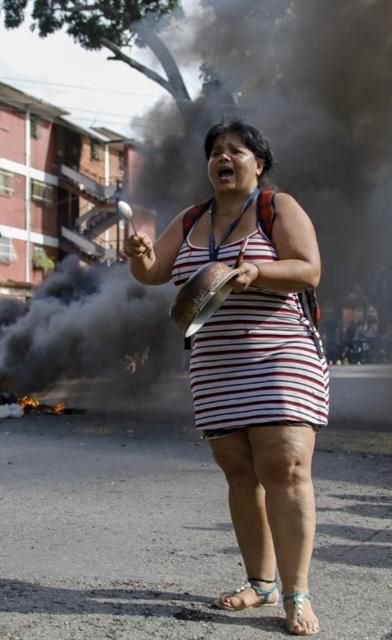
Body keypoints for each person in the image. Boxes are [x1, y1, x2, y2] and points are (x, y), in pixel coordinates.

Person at [123, 119, 329, 636]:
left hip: (280, 356)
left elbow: (308, 269)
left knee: (285, 466)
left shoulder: (277, 207)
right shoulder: (191, 218)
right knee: (241, 473)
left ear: (258, 163)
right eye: (216, 150)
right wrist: (140, 257)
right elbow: (154, 274)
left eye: (237, 150)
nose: (224, 157)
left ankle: (296, 593)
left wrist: (259, 272)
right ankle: (261, 584)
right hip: (216, 366)